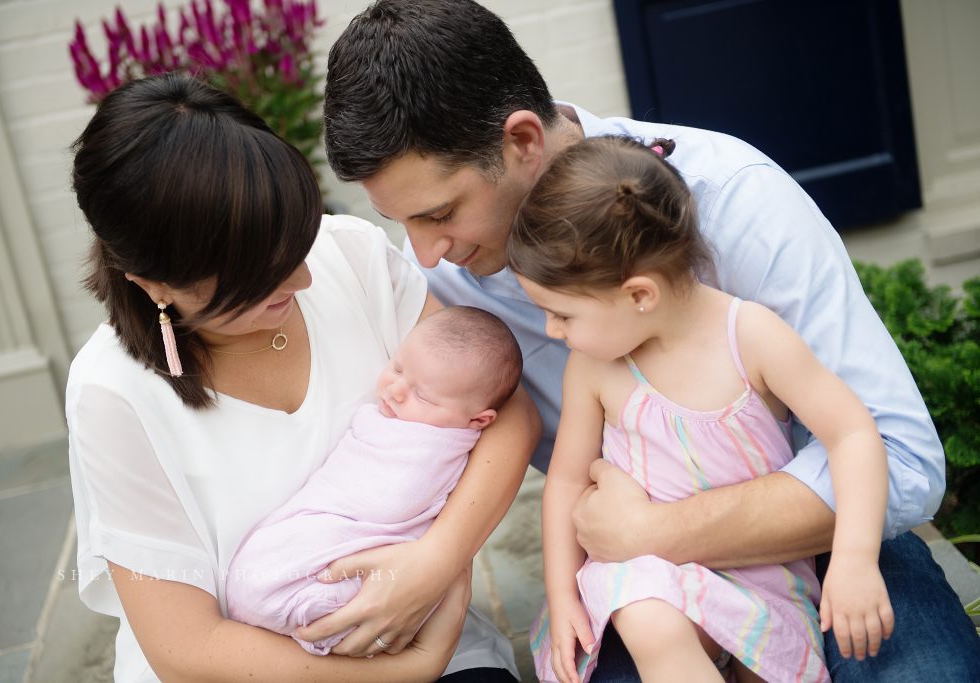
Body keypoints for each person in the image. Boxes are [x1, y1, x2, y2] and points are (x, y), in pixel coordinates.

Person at [321, 0, 980, 679]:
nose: (427, 255)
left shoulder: (732, 200)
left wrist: (658, 530)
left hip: (830, 539)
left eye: (439, 214)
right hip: (638, 586)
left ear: (521, 141)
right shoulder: (453, 283)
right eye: (405, 223)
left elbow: (901, 460)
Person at [66, 72, 539, 683]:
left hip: (406, 627)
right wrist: (404, 674)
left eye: (297, 245)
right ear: (153, 282)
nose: (304, 282)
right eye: (260, 279)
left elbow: (509, 413)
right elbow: (187, 646)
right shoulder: (112, 392)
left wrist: (435, 560)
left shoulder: (349, 255)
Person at [507, 134, 896, 683]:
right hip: (645, 575)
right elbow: (567, 482)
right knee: (648, 616)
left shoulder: (751, 337)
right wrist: (562, 593)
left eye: (562, 314)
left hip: (761, 575)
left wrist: (854, 558)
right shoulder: (594, 369)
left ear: (640, 295)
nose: (551, 331)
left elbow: (853, 433)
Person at [226, 306, 523, 655]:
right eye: (397, 367)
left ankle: (319, 616)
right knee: (263, 572)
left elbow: (391, 501)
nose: (395, 389)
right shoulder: (403, 413)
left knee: (286, 589)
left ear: (478, 421)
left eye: (423, 396)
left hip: (375, 564)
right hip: (307, 543)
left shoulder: (436, 447)